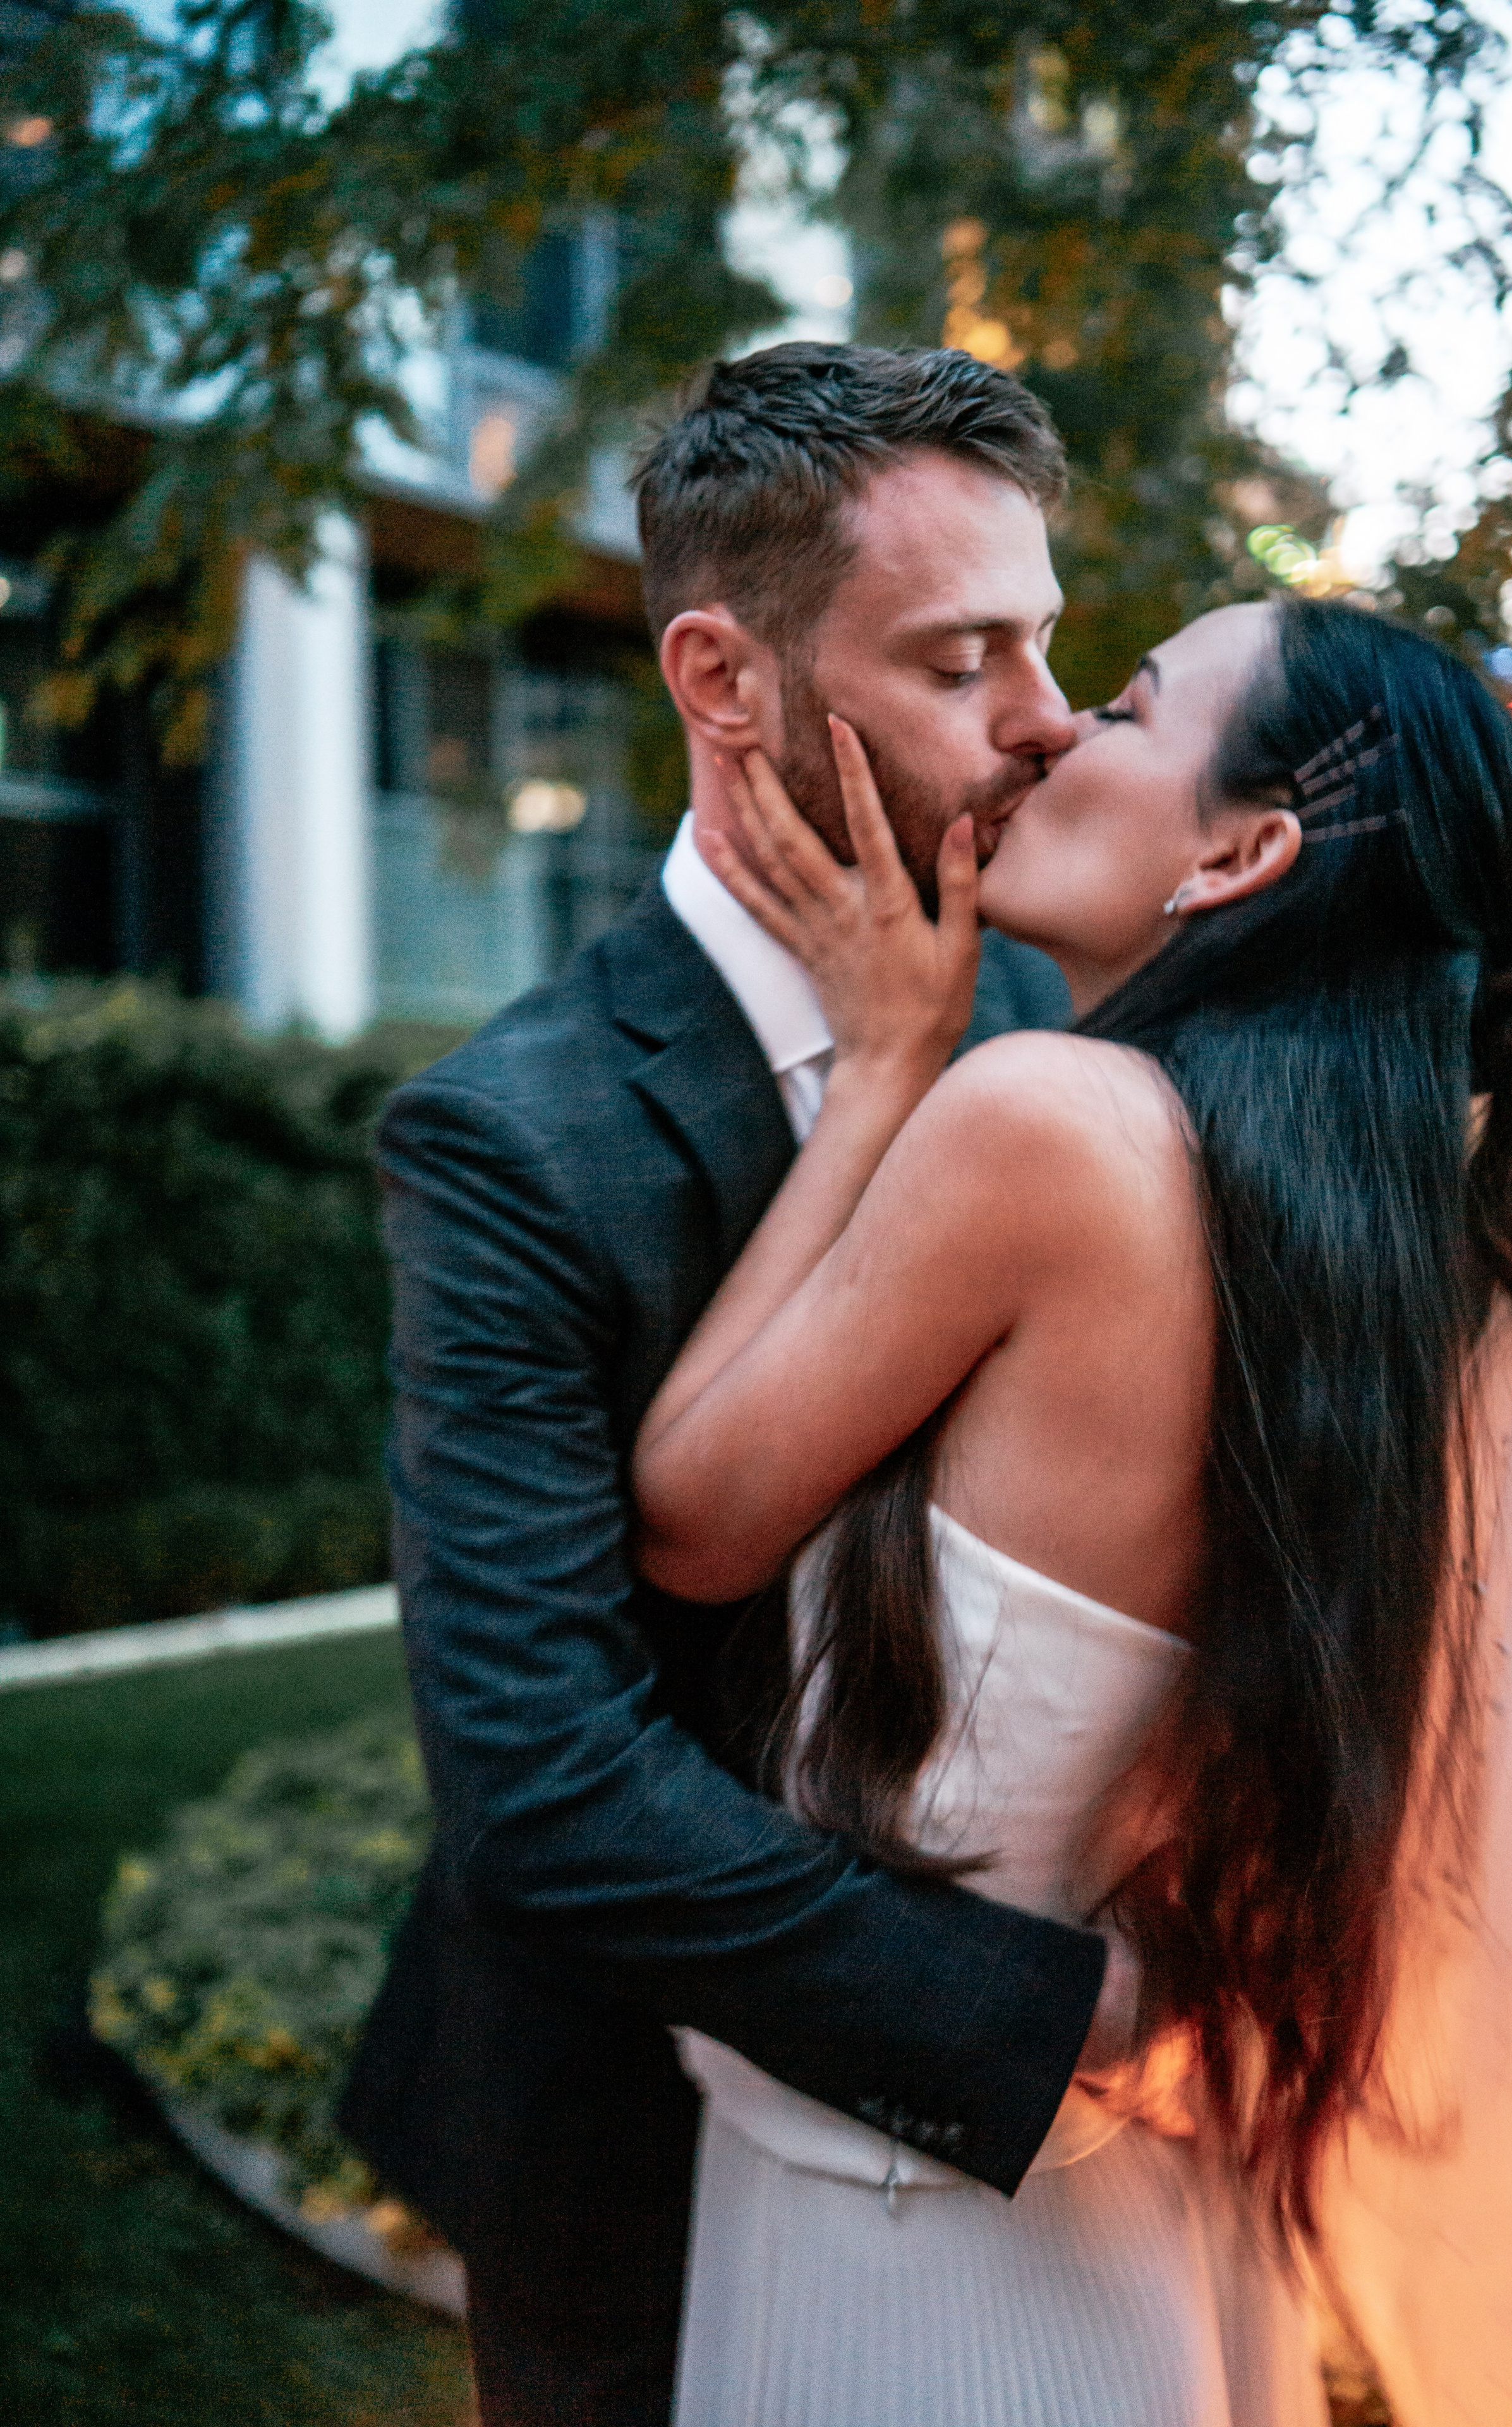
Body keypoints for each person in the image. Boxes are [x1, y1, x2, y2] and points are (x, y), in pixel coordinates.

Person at [632, 592, 1512, 2424]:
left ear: (1241, 855)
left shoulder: (1047, 1125)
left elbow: (695, 1518)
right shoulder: (1381, 1247)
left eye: (1130, 710)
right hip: (1136, 2182)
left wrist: (885, 1065)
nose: (1057, 731)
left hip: (907, 2218)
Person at [338, 343, 1149, 2427]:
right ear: (721, 678)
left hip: (1071, 2199)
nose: (1050, 718)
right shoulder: (508, 1140)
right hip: (630, 2162)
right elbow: (545, 1788)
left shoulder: (1068, 1018)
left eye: (1046, 640)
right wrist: (1037, 2023)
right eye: (964, 660)